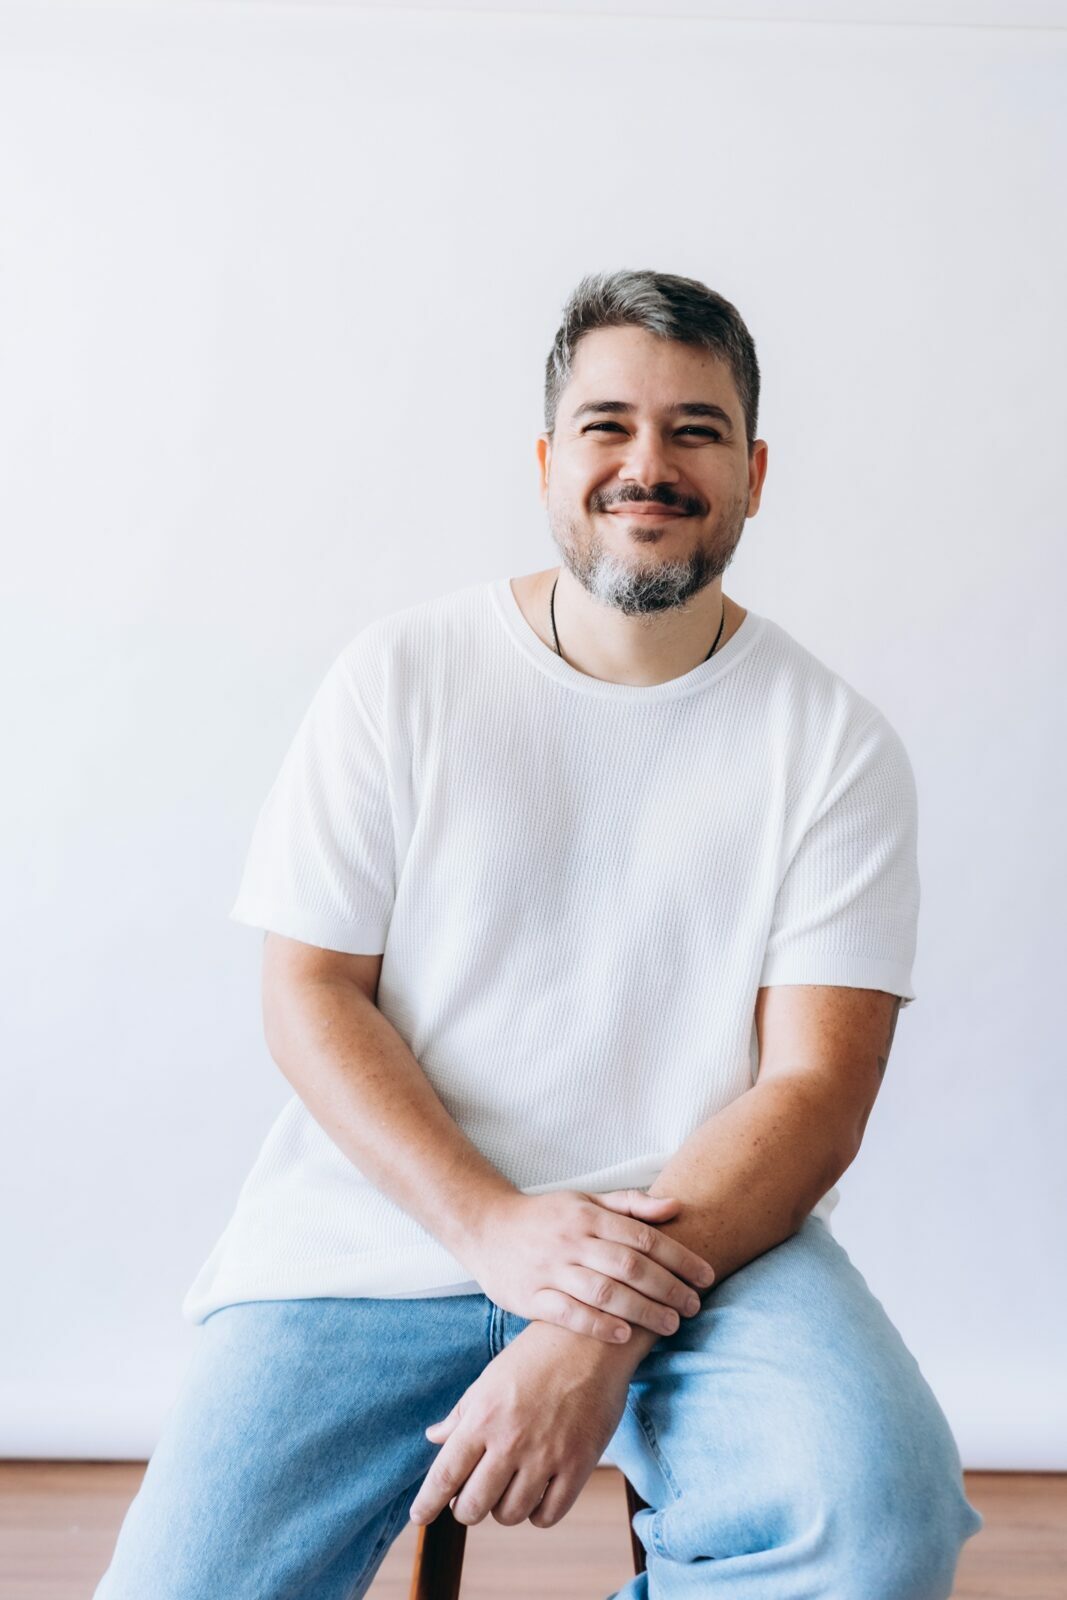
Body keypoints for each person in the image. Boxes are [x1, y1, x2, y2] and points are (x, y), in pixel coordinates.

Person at [94, 269, 983, 1599]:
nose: (648, 464)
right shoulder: (399, 676)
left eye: (695, 431)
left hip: (702, 1248)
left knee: (877, 1524)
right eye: (607, 425)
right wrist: (493, 1228)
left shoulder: (835, 744)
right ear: (548, 462)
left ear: (753, 474)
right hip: (383, 1227)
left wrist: (594, 1318)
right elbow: (310, 991)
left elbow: (817, 1090)